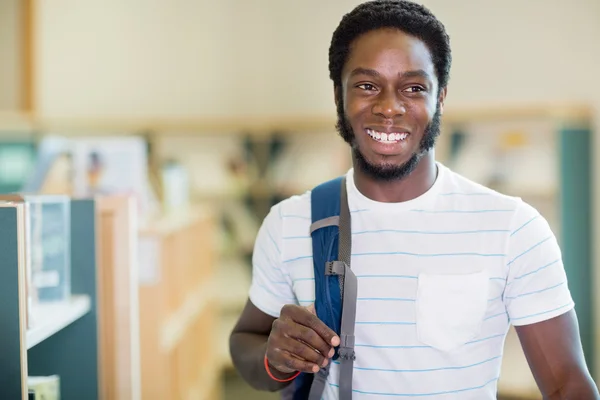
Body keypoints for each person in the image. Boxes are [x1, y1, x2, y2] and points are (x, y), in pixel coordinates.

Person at [229, 0, 599, 398]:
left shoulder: (513, 228)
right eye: (367, 86)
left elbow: (567, 385)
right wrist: (275, 357)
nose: (389, 107)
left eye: (414, 88)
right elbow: (246, 341)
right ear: (339, 96)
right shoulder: (291, 223)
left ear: (440, 98)